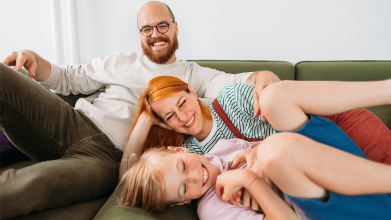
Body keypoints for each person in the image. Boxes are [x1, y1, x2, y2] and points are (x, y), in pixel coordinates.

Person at [0, 1, 278, 218]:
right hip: (73, 122)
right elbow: (68, 78)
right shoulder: (119, 61)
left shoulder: (192, 76)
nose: (155, 34)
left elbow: (237, 82)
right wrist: (37, 61)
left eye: (162, 26)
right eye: (147, 29)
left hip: (107, 158)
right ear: (140, 34)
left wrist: (263, 77)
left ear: (176, 28)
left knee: (33, 183)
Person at [119, 79, 391, 220]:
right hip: (334, 204)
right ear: (181, 202)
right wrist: (250, 179)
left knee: (275, 97)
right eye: (183, 188)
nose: (194, 177)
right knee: (277, 151)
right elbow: (126, 176)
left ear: (178, 152)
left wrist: (257, 152)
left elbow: (270, 90)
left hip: (334, 160)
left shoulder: (222, 147)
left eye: (182, 168)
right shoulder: (214, 208)